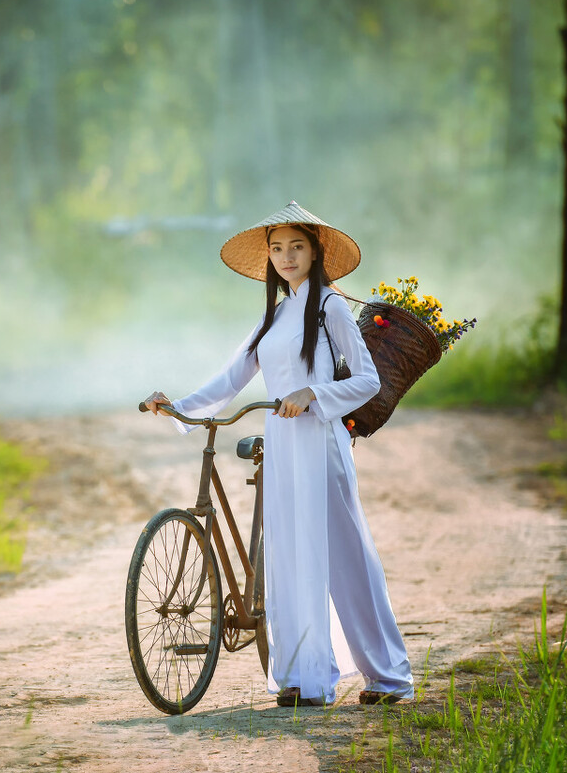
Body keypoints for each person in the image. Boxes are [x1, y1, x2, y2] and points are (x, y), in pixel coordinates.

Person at [143, 200, 413, 707]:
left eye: (297, 246)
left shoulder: (329, 307)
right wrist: (177, 407)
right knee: (289, 554)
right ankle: (302, 677)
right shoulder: (276, 314)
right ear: (268, 257)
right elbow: (232, 377)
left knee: (346, 557)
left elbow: (367, 380)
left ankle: (387, 674)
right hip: (284, 442)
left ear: (315, 252)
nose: (286, 256)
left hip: (321, 444)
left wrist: (315, 393)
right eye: (277, 248)